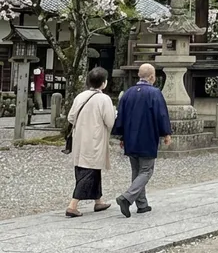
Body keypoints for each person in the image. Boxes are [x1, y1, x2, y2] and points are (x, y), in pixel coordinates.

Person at [112, 63, 172, 218]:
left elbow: (121, 116)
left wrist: (121, 136)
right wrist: (166, 133)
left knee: (136, 170)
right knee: (146, 170)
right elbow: (161, 115)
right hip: (147, 136)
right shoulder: (154, 93)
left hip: (130, 137)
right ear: (152, 77)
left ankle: (142, 204)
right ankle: (127, 198)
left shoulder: (128, 93)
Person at [65, 67, 116, 218]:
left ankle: (98, 200)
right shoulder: (104, 99)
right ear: (104, 83)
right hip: (95, 138)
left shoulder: (80, 96)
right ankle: (72, 205)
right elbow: (110, 121)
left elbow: (70, 117)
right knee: (89, 170)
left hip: (80, 138)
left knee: (88, 168)